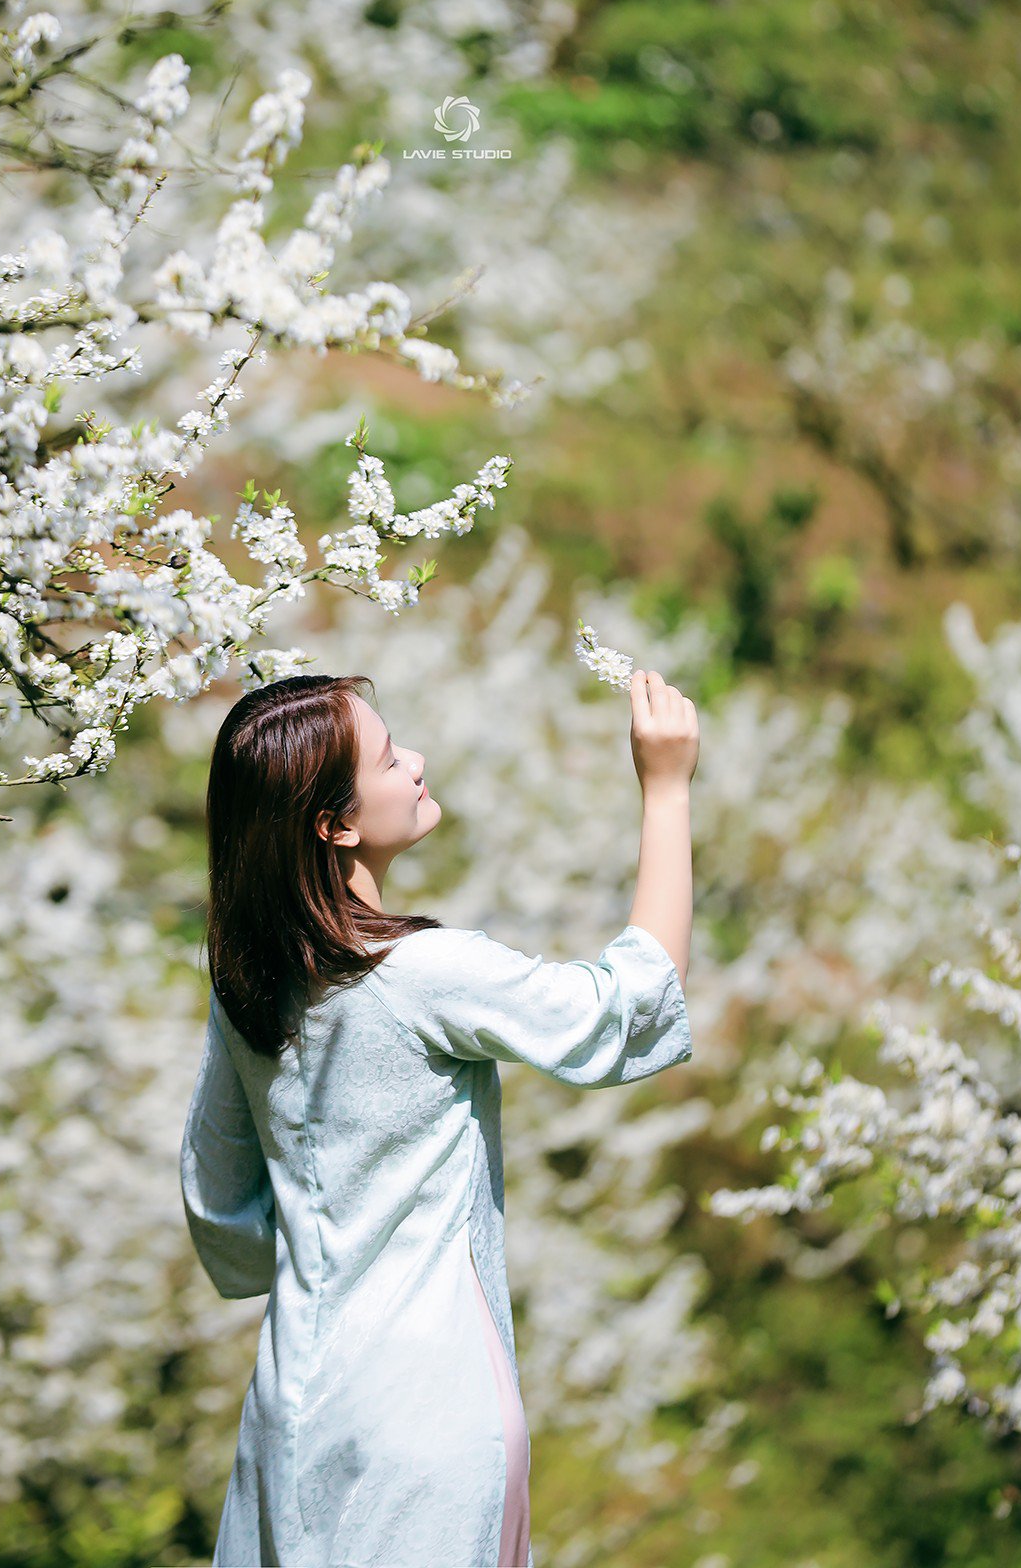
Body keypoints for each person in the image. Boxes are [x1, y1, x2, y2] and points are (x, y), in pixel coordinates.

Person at [182, 665, 697, 1568]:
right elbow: (624, 1012)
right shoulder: (422, 972)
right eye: (388, 759)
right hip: (431, 1415)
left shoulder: (249, 985)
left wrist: (324, 1250)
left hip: (291, 1409)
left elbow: (219, 1207)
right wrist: (666, 789)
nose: (415, 761)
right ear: (334, 825)